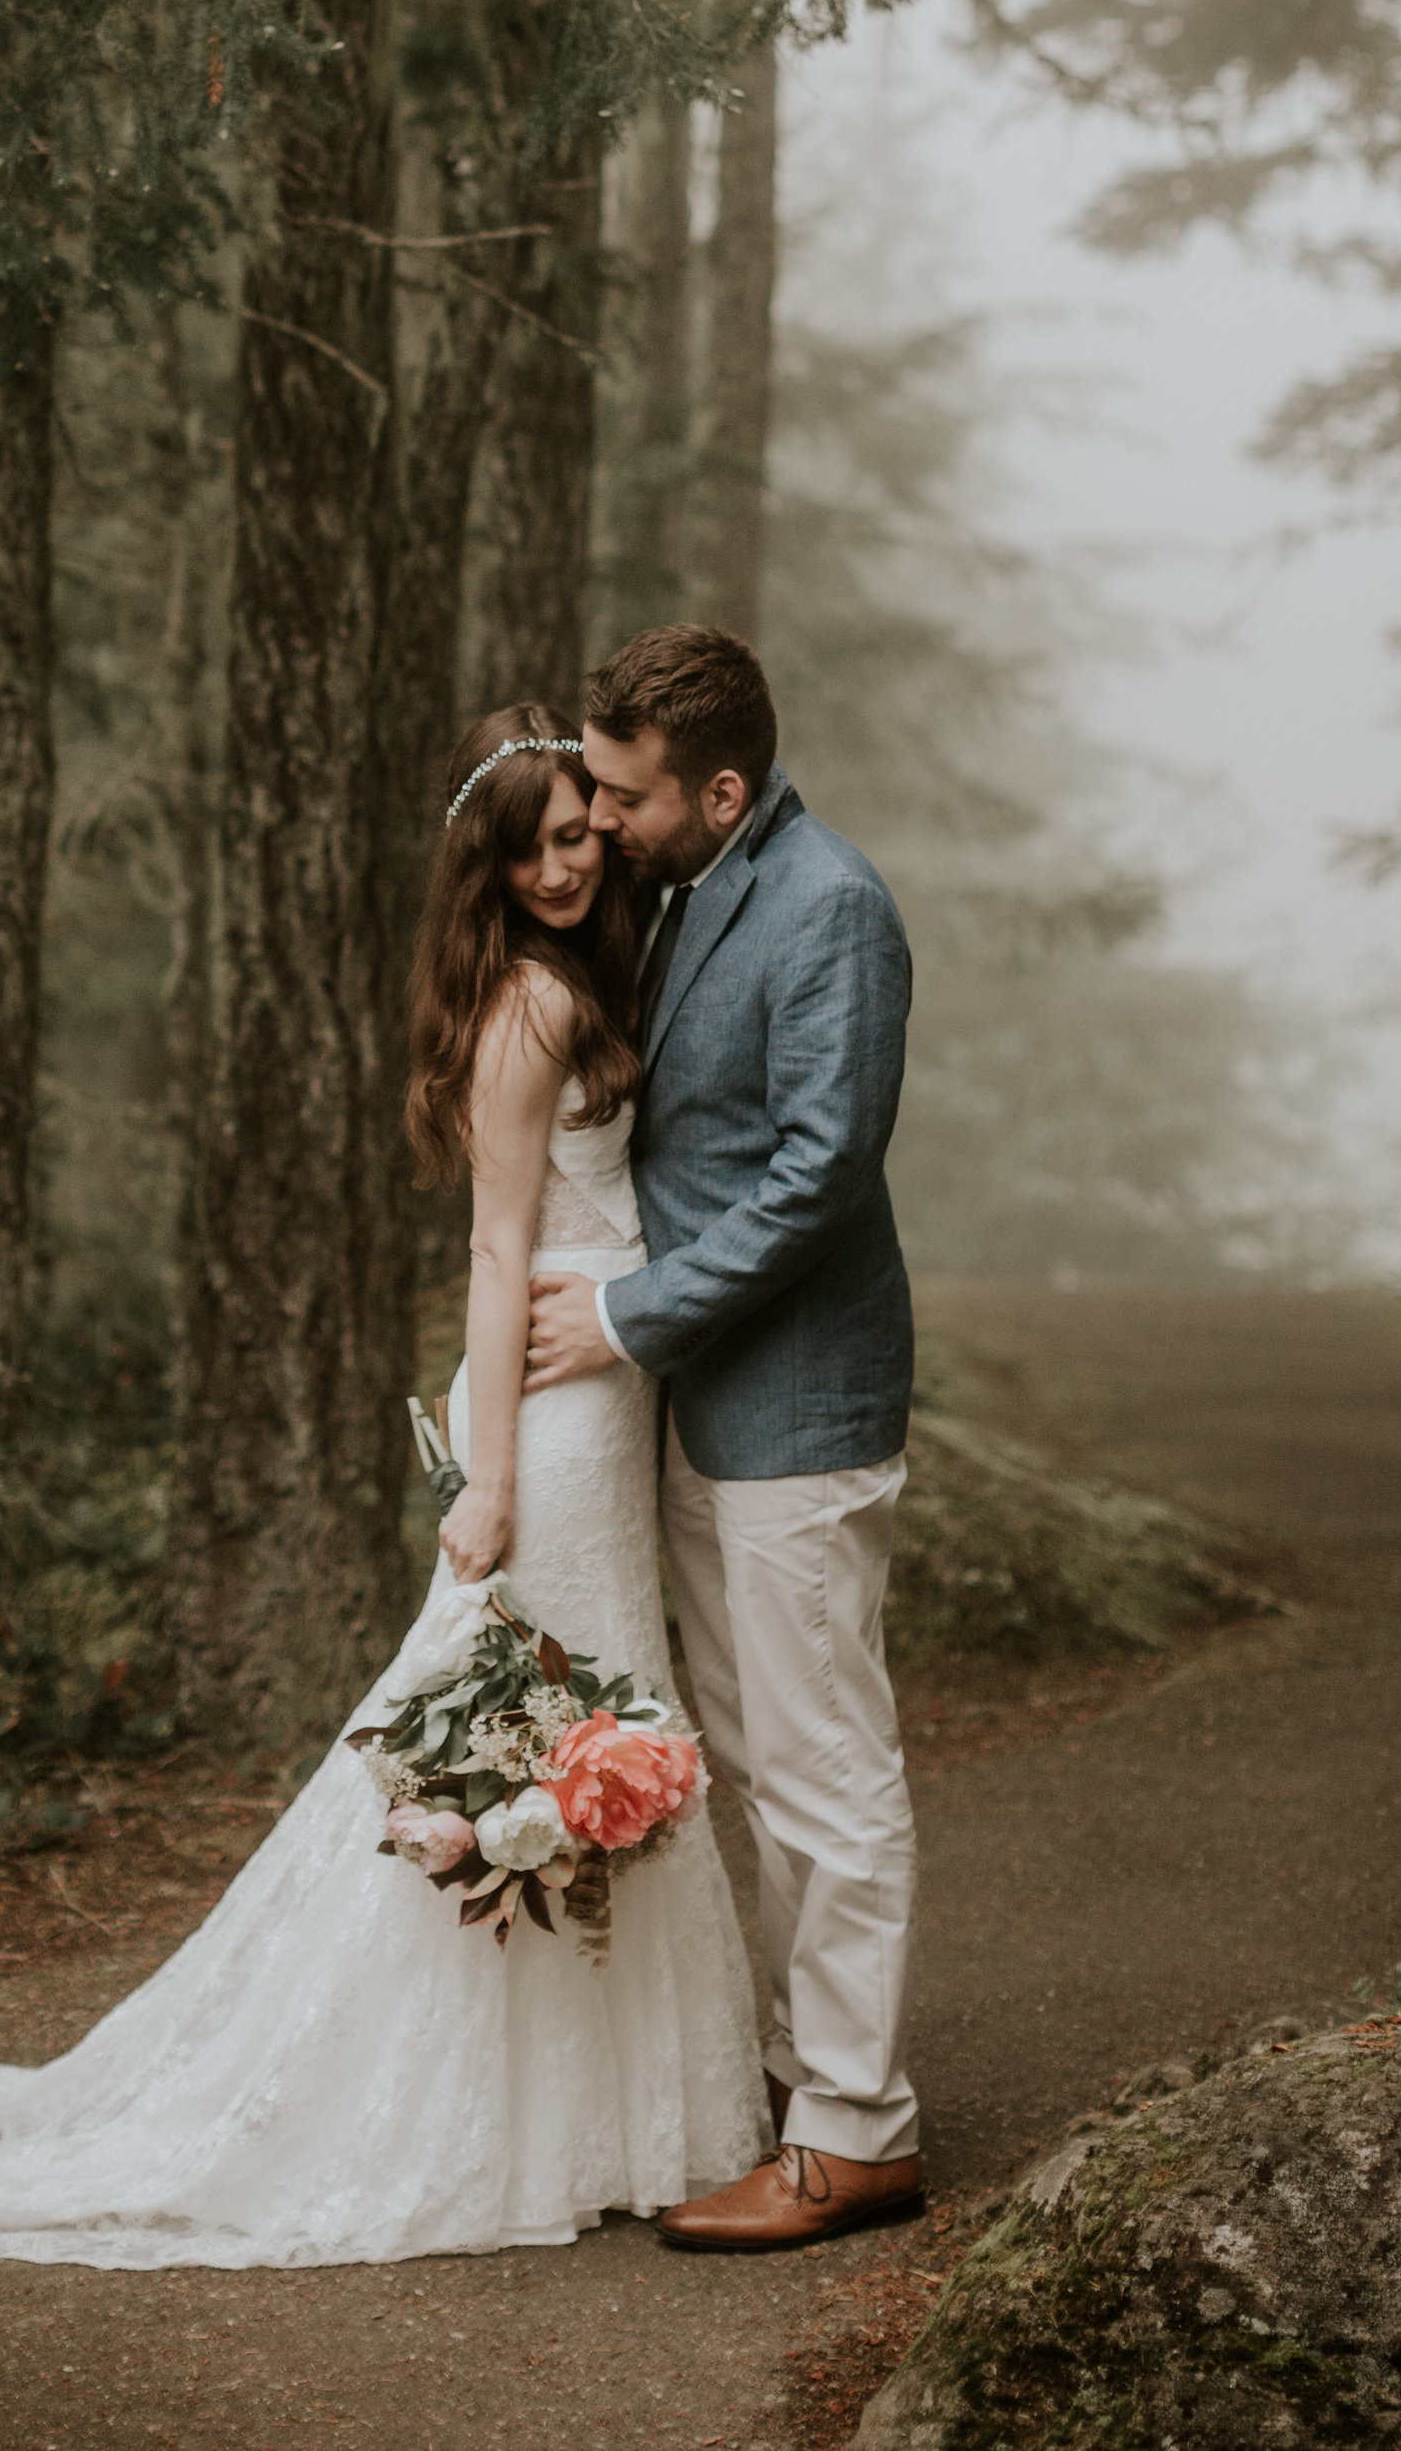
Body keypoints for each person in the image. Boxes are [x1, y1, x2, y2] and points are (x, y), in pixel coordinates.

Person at [0, 700, 766, 2268]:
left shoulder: (579, 967)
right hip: (555, 1407)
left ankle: (611, 2102)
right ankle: (466, 2095)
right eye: (544, 846)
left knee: (581, 1714)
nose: (578, 861)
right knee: (531, 1719)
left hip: (609, 1379)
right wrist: (488, 1481)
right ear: (492, 865)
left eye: (586, 830)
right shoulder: (525, 1006)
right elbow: (498, 1248)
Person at [523, 620, 922, 2251]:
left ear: (726, 785)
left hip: (801, 1407)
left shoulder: (834, 908)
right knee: (759, 1759)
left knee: (827, 1773)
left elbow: (816, 1178)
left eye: (625, 792)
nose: (603, 818)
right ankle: (798, 2068)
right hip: (712, 1407)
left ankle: (857, 2132)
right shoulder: (693, 886)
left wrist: (624, 1318)